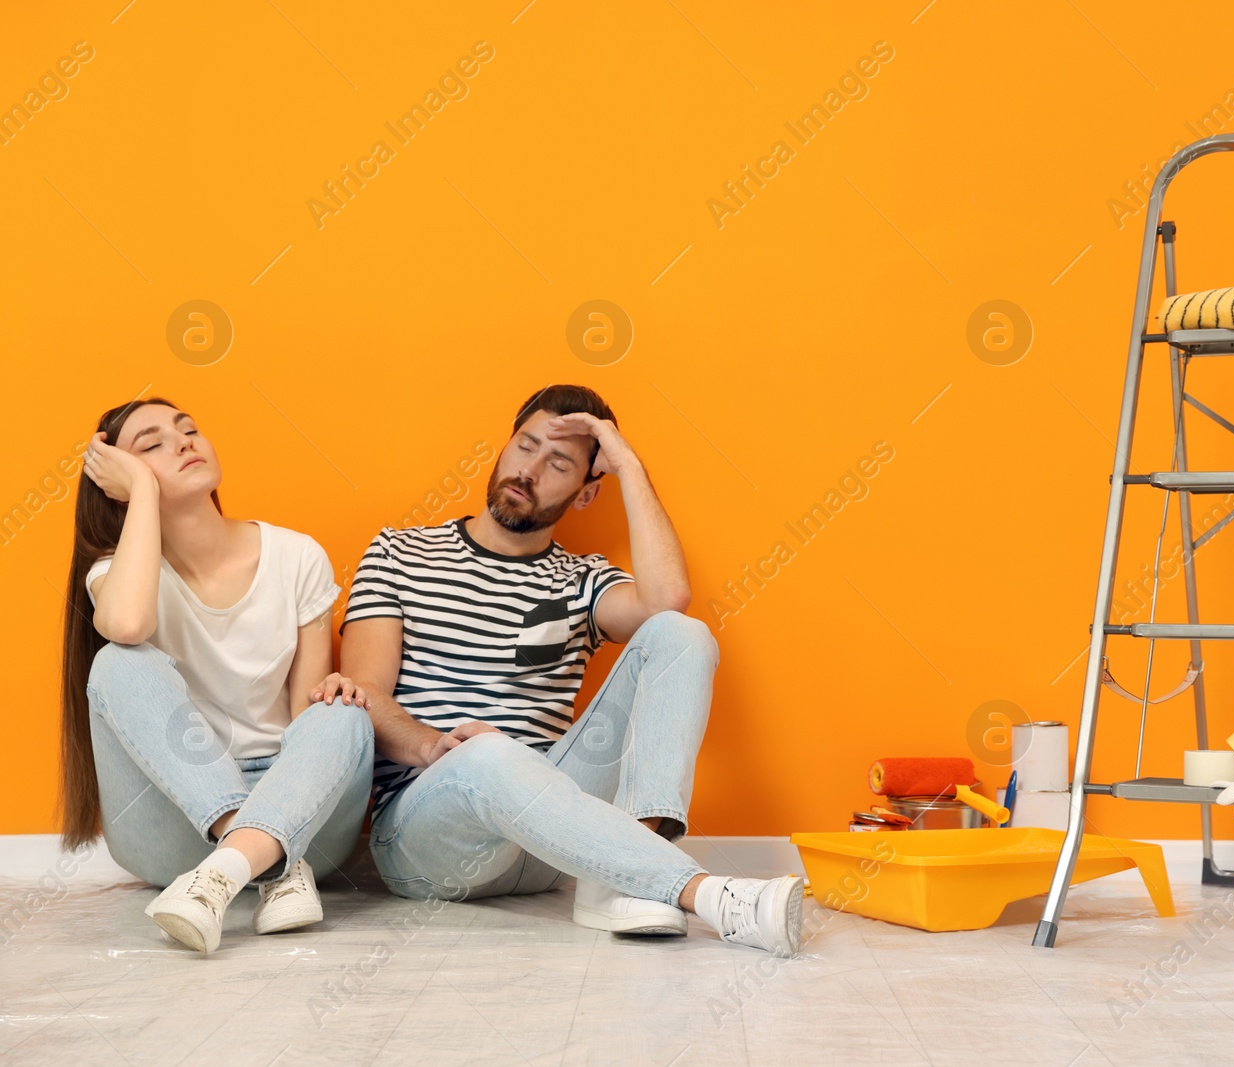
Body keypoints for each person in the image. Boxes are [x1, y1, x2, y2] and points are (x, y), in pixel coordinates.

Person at [339, 384, 804, 954]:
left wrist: (627, 463)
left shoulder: (580, 580)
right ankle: (705, 894)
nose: (529, 470)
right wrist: (438, 748)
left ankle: (624, 870)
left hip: (551, 847)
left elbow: (668, 600)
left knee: (681, 634)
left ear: (585, 495)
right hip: (431, 839)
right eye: (524, 446)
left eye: (557, 463)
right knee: (490, 754)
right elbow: (364, 695)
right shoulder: (399, 553)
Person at [59, 397, 375, 954]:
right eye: (150, 446)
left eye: (189, 430)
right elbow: (127, 625)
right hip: (174, 828)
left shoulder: (297, 556)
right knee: (118, 659)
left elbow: (307, 720)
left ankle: (225, 874)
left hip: (300, 811)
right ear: (119, 483)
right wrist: (144, 491)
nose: (183, 443)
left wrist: (330, 708)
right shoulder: (118, 575)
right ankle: (257, 859)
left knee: (343, 713)